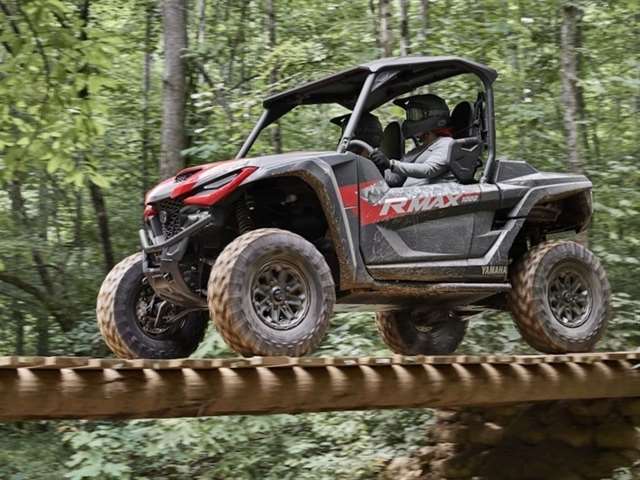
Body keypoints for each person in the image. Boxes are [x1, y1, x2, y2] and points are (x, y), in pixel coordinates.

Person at [370, 94, 455, 187]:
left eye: (415, 115)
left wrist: (390, 164)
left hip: (431, 194)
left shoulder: (446, 143)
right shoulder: (415, 152)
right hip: (407, 194)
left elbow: (429, 170)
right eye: (409, 115)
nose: (409, 121)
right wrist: (378, 167)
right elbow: (394, 179)